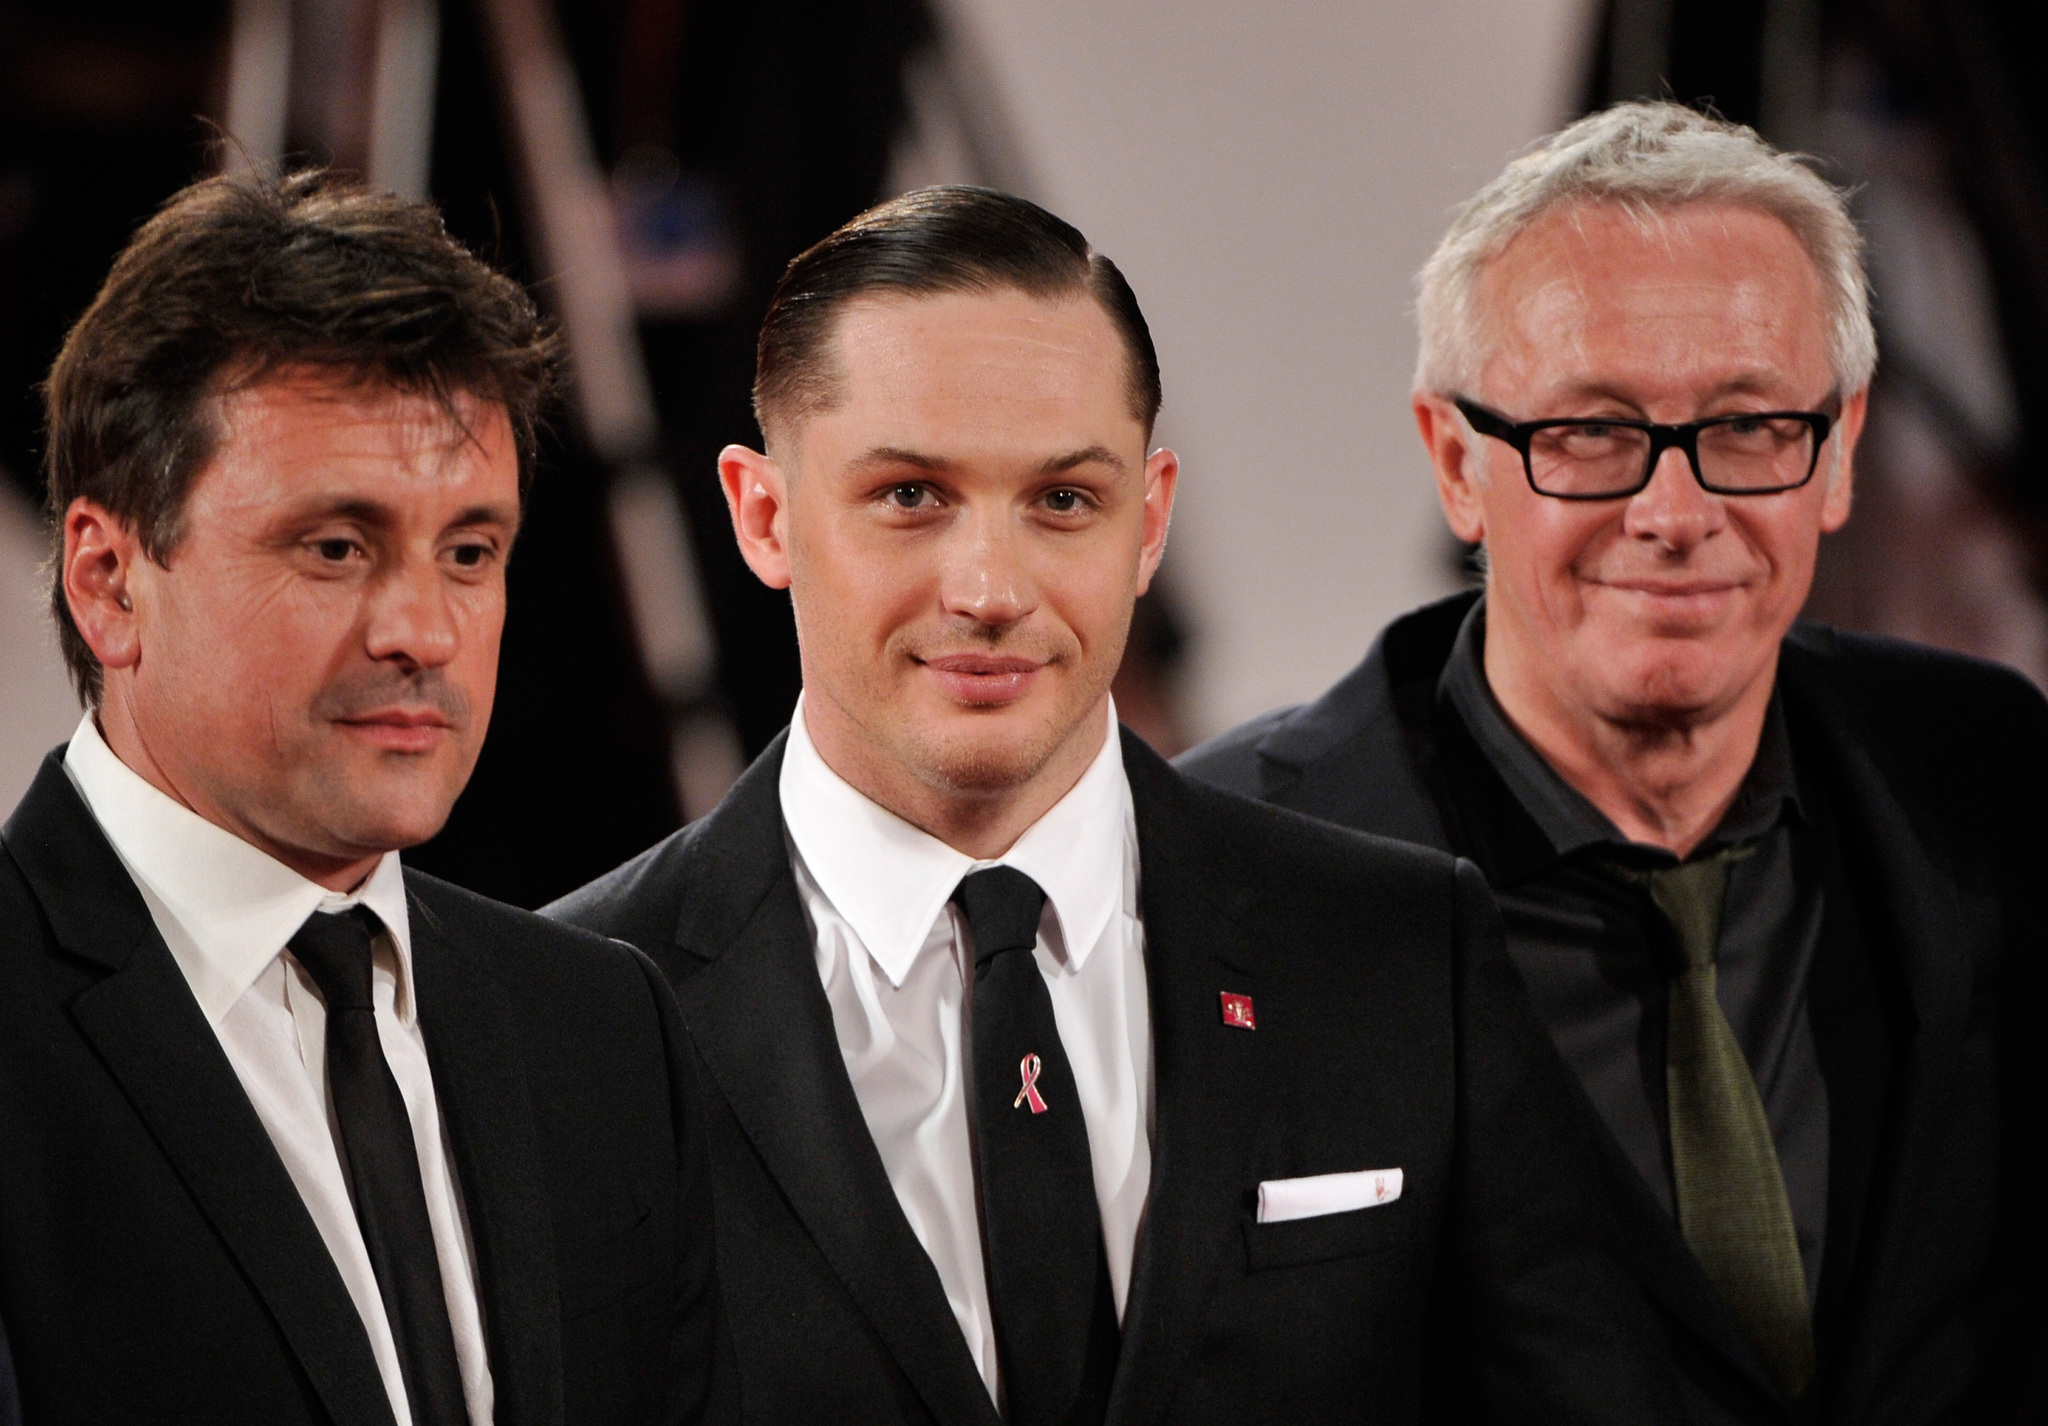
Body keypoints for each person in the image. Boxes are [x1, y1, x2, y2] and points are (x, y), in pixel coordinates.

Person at [545, 185, 1677, 1425]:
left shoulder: (1396, 954)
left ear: (1149, 522)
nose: (988, 588)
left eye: (1061, 501)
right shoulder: (568, 1017)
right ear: (763, 515)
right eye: (910, 496)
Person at [1180, 102, 2048, 1424]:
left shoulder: (1988, 779)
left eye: (1752, 425)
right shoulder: (1214, 876)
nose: (1676, 511)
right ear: (1456, 462)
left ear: (1841, 451)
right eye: (1590, 432)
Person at [0, 172, 729, 1425]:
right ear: (110, 583)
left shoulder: (602, 1033)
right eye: (336, 547)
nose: (424, 631)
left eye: (469, 552)